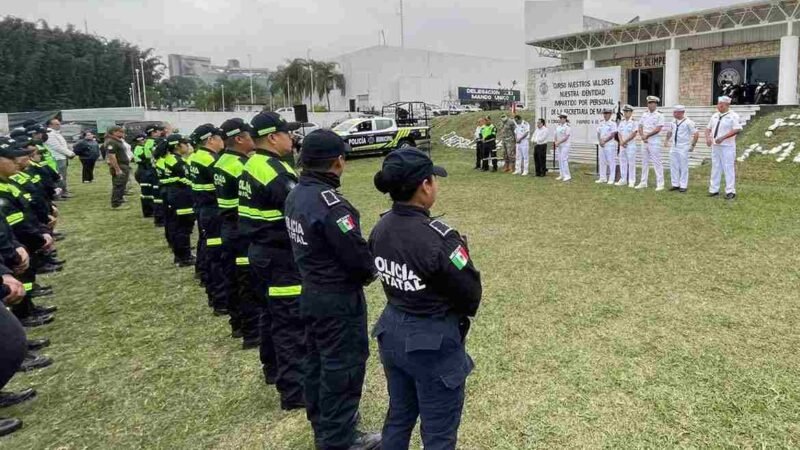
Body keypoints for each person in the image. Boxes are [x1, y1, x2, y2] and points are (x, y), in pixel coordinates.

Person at [369, 148, 482, 450]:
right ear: (424, 185)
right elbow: (471, 297)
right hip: (431, 344)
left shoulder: (381, 226)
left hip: (391, 331)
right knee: (438, 433)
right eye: (434, 179)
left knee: (399, 416)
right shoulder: (440, 238)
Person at [285, 129, 381, 450]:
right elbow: (359, 259)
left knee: (316, 360)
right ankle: (340, 439)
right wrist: (370, 271)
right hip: (338, 301)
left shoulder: (296, 194)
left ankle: (322, 424)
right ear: (338, 161)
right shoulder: (331, 205)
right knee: (343, 366)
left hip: (310, 291)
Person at [238, 111, 305, 405]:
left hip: (261, 252)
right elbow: (297, 209)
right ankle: (294, 390)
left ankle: (273, 369)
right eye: (287, 133)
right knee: (290, 322)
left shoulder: (253, 162)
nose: (292, 138)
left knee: (270, 314)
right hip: (279, 256)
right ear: (272, 136)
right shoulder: (273, 171)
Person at [215, 118, 260, 348]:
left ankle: (238, 325)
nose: (254, 140)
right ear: (239, 139)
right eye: (250, 136)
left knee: (233, 278)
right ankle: (252, 333)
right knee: (247, 282)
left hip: (227, 227)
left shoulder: (222, 161)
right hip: (240, 229)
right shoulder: (241, 166)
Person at [187, 124, 226, 312]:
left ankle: (209, 285)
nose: (222, 141)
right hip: (214, 211)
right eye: (219, 138)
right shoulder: (211, 160)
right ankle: (220, 299)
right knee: (217, 256)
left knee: (207, 248)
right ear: (210, 139)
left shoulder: (195, 157)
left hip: (203, 209)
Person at [162, 134, 196, 266]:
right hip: (181, 197)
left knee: (178, 227)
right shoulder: (178, 162)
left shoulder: (170, 158)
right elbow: (186, 180)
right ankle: (184, 257)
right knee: (184, 227)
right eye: (185, 144)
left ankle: (181, 255)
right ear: (177, 146)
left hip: (174, 194)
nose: (188, 147)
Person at [705, 96, 742, 199]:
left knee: (728, 168)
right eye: (718, 104)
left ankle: (730, 191)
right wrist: (708, 138)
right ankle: (714, 189)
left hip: (727, 146)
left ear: (727, 105)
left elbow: (737, 129)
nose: (719, 106)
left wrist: (723, 137)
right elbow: (708, 129)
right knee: (715, 167)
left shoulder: (733, 116)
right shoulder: (715, 116)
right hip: (715, 145)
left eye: (722, 104)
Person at [664, 105, 698, 193]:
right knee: (673, 165)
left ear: (681, 112)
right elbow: (670, 132)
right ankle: (675, 184)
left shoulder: (689, 122)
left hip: (683, 146)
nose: (674, 114)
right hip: (674, 146)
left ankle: (683, 185)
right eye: (674, 112)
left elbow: (696, 134)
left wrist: (692, 145)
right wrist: (666, 140)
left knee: (683, 166)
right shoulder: (673, 121)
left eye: (676, 112)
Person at [637, 96, 665, 191]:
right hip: (644, 141)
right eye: (649, 103)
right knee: (644, 162)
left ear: (656, 104)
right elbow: (640, 126)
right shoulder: (644, 114)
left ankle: (660, 183)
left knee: (657, 162)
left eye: (653, 103)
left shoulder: (660, 115)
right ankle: (643, 182)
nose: (651, 104)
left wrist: (647, 135)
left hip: (654, 141)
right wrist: (642, 136)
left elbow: (658, 129)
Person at [45, 118, 75, 198]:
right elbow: (57, 147)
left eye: (59, 123)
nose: (59, 125)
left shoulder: (55, 133)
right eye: (57, 124)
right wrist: (70, 153)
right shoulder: (50, 134)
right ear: (50, 125)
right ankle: (60, 193)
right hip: (57, 157)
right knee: (59, 176)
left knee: (63, 175)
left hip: (61, 156)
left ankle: (63, 191)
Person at [144, 124, 166, 226]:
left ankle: (159, 216)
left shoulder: (150, 142)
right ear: (152, 132)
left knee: (156, 194)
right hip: (154, 170)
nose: (160, 132)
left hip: (152, 168)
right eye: (158, 131)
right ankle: (159, 218)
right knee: (158, 195)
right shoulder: (153, 142)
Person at [104, 126, 131, 210]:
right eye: (120, 132)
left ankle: (120, 199)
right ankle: (116, 203)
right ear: (114, 132)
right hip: (120, 165)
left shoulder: (117, 141)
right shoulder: (111, 142)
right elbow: (112, 156)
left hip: (124, 165)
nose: (123, 133)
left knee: (122, 184)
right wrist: (117, 169)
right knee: (118, 184)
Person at [615, 105, 638, 187]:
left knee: (631, 163)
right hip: (622, 145)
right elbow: (619, 133)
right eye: (624, 112)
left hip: (630, 145)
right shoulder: (622, 122)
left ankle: (632, 181)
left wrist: (624, 141)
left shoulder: (634, 122)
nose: (625, 113)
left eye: (627, 111)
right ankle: (623, 179)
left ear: (631, 112)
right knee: (622, 162)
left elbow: (634, 133)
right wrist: (621, 142)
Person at [596, 108, 618, 184]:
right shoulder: (601, 123)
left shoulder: (613, 123)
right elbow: (598, 133)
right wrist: (600, 141)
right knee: (602, 161)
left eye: (607, 113)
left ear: (610, 114)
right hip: (602, 145)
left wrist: (604, 141)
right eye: (604, 113)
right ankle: (602, 178)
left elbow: (613, 135)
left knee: (611, 161)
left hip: (609, 145)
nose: (605, 115)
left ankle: (611, 179)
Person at [554, 114, 572, 182]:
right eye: (560, 118)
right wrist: (556, 142)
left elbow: (566, 137)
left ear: (565, 119)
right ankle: (561, 174)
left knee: (564, 159)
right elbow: (555, 134)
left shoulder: (567, 127)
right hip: (559, 145)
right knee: (559, 159)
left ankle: (567, 176)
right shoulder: (558, 126)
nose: (560, 119)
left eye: (561, 118)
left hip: (565, 145)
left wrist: (558, 142)